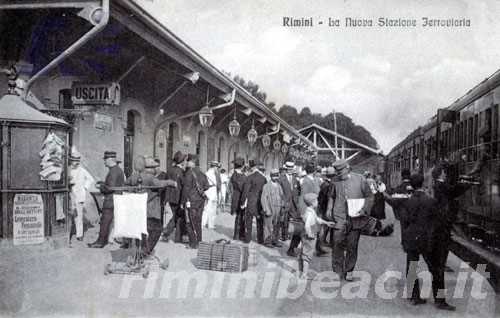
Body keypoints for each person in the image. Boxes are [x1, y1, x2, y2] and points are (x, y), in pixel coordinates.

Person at [404, 173, 456, 311]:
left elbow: (405, 220)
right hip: (427, 239)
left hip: (411, 239)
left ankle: (414, 297)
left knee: (412, 267)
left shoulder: (408, 201)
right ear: (422, 183)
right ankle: (440, 301)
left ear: (412, 185)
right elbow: (438, 221)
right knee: (436, 270)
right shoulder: (430, 201)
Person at [326, 159, 374, 281]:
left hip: (356, 218)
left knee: (352, 246)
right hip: (339, 217)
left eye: (340, 171)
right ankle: (337, 271)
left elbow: (369, 196)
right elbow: (331, 197)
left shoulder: (360, 179)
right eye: (337, 172)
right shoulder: (334, 181)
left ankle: (349, 270)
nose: (339, 174)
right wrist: (329, 209)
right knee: (337, 244)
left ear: (347, 168)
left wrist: (364, 210)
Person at [126, 156, 177, 256]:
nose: (155, 170)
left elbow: (126, 184)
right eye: (154, 167)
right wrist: (171, 182)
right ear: (149, 168)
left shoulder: (133, 177)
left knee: (141, 232)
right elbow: (160, 184)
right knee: (157, 230)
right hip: (150, 211)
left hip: (137, 209)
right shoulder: (150, 177)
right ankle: (145, 251)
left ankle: (139, 251)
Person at [88, 151, 125, 248]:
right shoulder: (118, 170)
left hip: (110, 201)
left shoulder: (113, 172)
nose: (104, 162)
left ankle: (100, 242)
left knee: (105, 221)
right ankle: (108, 240)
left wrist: (100, 186)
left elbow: (110, 187)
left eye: (105, 160)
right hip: (116, 199)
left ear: (109, 160)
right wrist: (103, 183)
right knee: (111, 222)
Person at [298, 193, 336, 279]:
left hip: (308, 235)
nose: (318, 202)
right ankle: (304, 274)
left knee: (304, 253)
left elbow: (317, 219)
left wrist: (326, 223)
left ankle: (301, 271)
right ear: (312, 203)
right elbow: (307, 225)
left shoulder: (310, 211)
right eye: (316, 201)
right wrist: (310, 234)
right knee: (307, 255)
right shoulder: (310, 213)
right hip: (310, 237)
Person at [180, 154, 209, 249]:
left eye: (188, 161)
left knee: (189, 222)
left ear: (192, 162)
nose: (186, 162)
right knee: (198, 221)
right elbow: (206, 186)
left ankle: (193, 243)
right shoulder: (201, 173)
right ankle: (199, 240)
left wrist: (182, 202)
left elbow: (185, 190)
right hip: (200, 201)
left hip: (190, 202)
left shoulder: (189, 173)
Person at [68, 150, 95, 244]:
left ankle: (79, 234)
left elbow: (91, 179)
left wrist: (84, 187)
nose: (75, 163)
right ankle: (70, 232)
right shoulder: (68, 169)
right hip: (70, 195)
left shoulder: (82, 170)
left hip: (79, 195)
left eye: (77, 161)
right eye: (73, 161)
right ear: (71, 161)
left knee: (79, 215)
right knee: (71, 214)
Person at [162, 151, 186, 243]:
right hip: (178, 197)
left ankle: (171, 235)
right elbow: (183, 185)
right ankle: (168, 233)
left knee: (175, 216)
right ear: (182, 161)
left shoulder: (170, 169)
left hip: (170, 196)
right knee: (177, 216)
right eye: (184, 160)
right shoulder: (181, 172)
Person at [241, 160, 267, 243]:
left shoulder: (249, 177)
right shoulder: (263, 178)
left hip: (251, 202)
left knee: (248, 220)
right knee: (260, 221)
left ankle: (248, 238)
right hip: (260, 203)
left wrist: (242, 202)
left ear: (252, 168)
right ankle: (260, 239)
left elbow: (245, 191)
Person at [279, 161, 302, 256]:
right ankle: (284, 235)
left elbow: (298, 190)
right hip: (286, 202)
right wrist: (282, 201)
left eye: (291, 168)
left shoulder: (295, 179)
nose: (289, 170)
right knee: (284, 219)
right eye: (288, 169)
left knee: (294, 220)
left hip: (294, 203)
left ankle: (289, 234)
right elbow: (280, 191)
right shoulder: (281, 179)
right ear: (286, 169)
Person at [261, 168, 285, 247]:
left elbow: (282, 197)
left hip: (278, 208)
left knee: (277, 225)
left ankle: (275, 240)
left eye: (277, 175)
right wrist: (266, 209)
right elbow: (263, 198)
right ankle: (267, 241)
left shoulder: (279, 186)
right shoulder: (266, 186)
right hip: (270, 208)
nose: (275, 177)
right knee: (268, 225)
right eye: (274, 176)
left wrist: (282, 207)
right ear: (271, 176)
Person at [230, 157, 247, 241]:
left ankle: (240, 234)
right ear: (242, 166)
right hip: (239, 198)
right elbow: (241, 187)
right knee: (240, 216)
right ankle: (237, 235)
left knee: (241, 216)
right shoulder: (237, 175)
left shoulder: (237, 174)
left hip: (238, 197)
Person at [202, 161, 222, 229]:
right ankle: (204, 223)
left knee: (212, 209)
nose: (217, 168)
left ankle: (210, 224)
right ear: (214, 166)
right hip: (210, 191)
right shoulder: (208, 173)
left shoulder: (214, 173)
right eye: (216, 167)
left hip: (213, 192)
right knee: (207, 208)